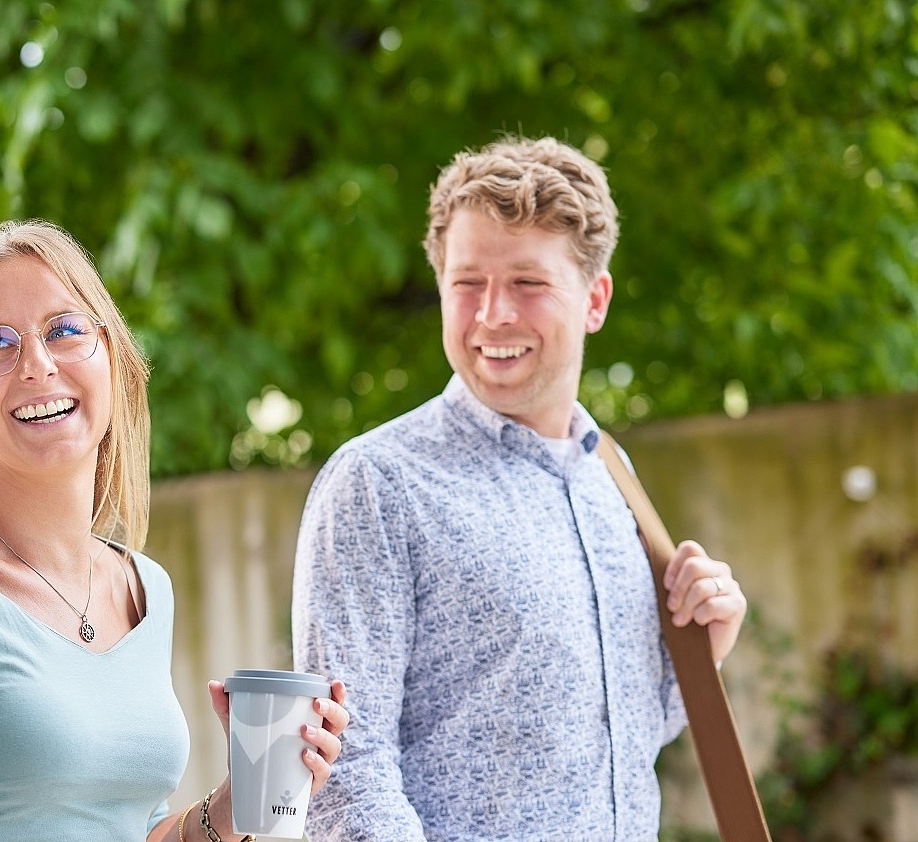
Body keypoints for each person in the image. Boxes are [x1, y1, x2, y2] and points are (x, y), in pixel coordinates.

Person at [291, 137, 749, 841]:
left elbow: (609, 749)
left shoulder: (612, 477)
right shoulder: (379, 483)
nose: (493, 313)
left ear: (595, 300)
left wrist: (701, 655)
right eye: (468, 282)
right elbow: (346, 773)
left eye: (529, 284)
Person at [0, 219, 350, 841]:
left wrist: (233, 803)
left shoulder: (145, 588)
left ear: (109, 359)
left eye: (64, 331)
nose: (36, 365)